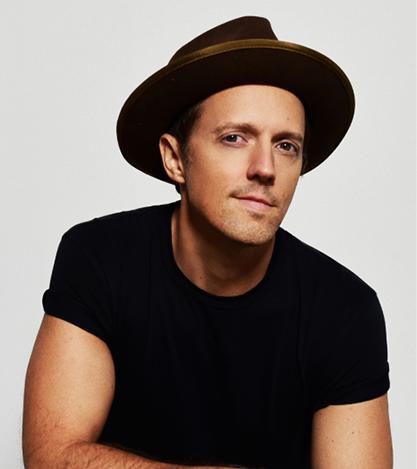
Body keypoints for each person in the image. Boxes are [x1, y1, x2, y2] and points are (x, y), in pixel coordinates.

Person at [22, 16, 393, 469]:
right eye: (235, 138)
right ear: (175, 159)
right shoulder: (100, 258)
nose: (265, 168)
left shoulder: (344, 309)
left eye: (286, 145)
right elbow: (52, 456)